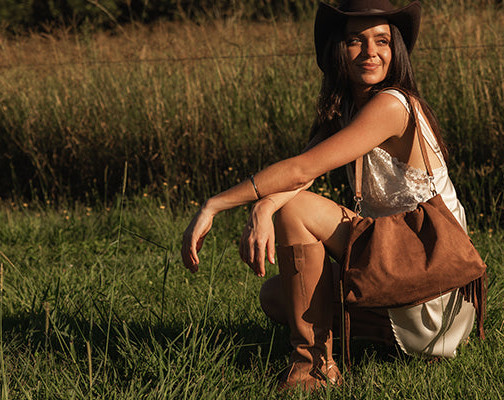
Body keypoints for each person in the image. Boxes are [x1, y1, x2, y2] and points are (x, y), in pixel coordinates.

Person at [182, 0, 479, 391]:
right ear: (337, 48)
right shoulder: (349, 110)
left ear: (397, 49)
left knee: (297, 213)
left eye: (382, 40)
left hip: (433, 289)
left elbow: (301, 171)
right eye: (356, 40)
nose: (370, 51)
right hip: (402, 283)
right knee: (276, 297)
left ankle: (313, 370)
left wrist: (214, 204)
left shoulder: (391, 105)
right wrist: (264, 205)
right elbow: (306, 169)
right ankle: (376, 347)